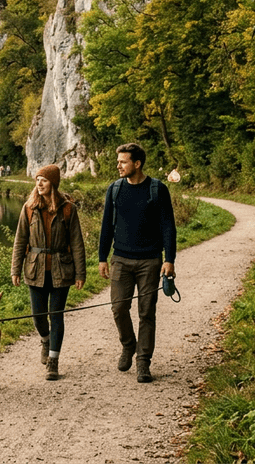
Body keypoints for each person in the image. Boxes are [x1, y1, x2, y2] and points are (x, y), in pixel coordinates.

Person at [98, 142, 177, 383]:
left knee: (146, 312)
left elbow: (168, 226)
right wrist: (102, 258)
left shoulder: (157, 189)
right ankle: (128, 344)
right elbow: (106, 225)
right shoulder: (115, 190)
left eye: (123, 162)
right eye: (118, 161)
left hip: (150, 261)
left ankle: (143, 362)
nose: (118, 166)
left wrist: (169, 259)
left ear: (137, 163)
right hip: (120, 259)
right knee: (118, 308)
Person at [11, 164, 86, 380]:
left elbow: (77, 243)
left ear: (53, 183)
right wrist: (15, 269)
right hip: (35, 269)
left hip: (61, 269)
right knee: (38, 317)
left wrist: (80, 273)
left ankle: (53, 361)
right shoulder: (29, 208)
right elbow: (20, 240)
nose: (39, 184)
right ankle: (45, 339)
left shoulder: (68, 209)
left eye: (43, 180)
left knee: (56, 315)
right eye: (37, 180)